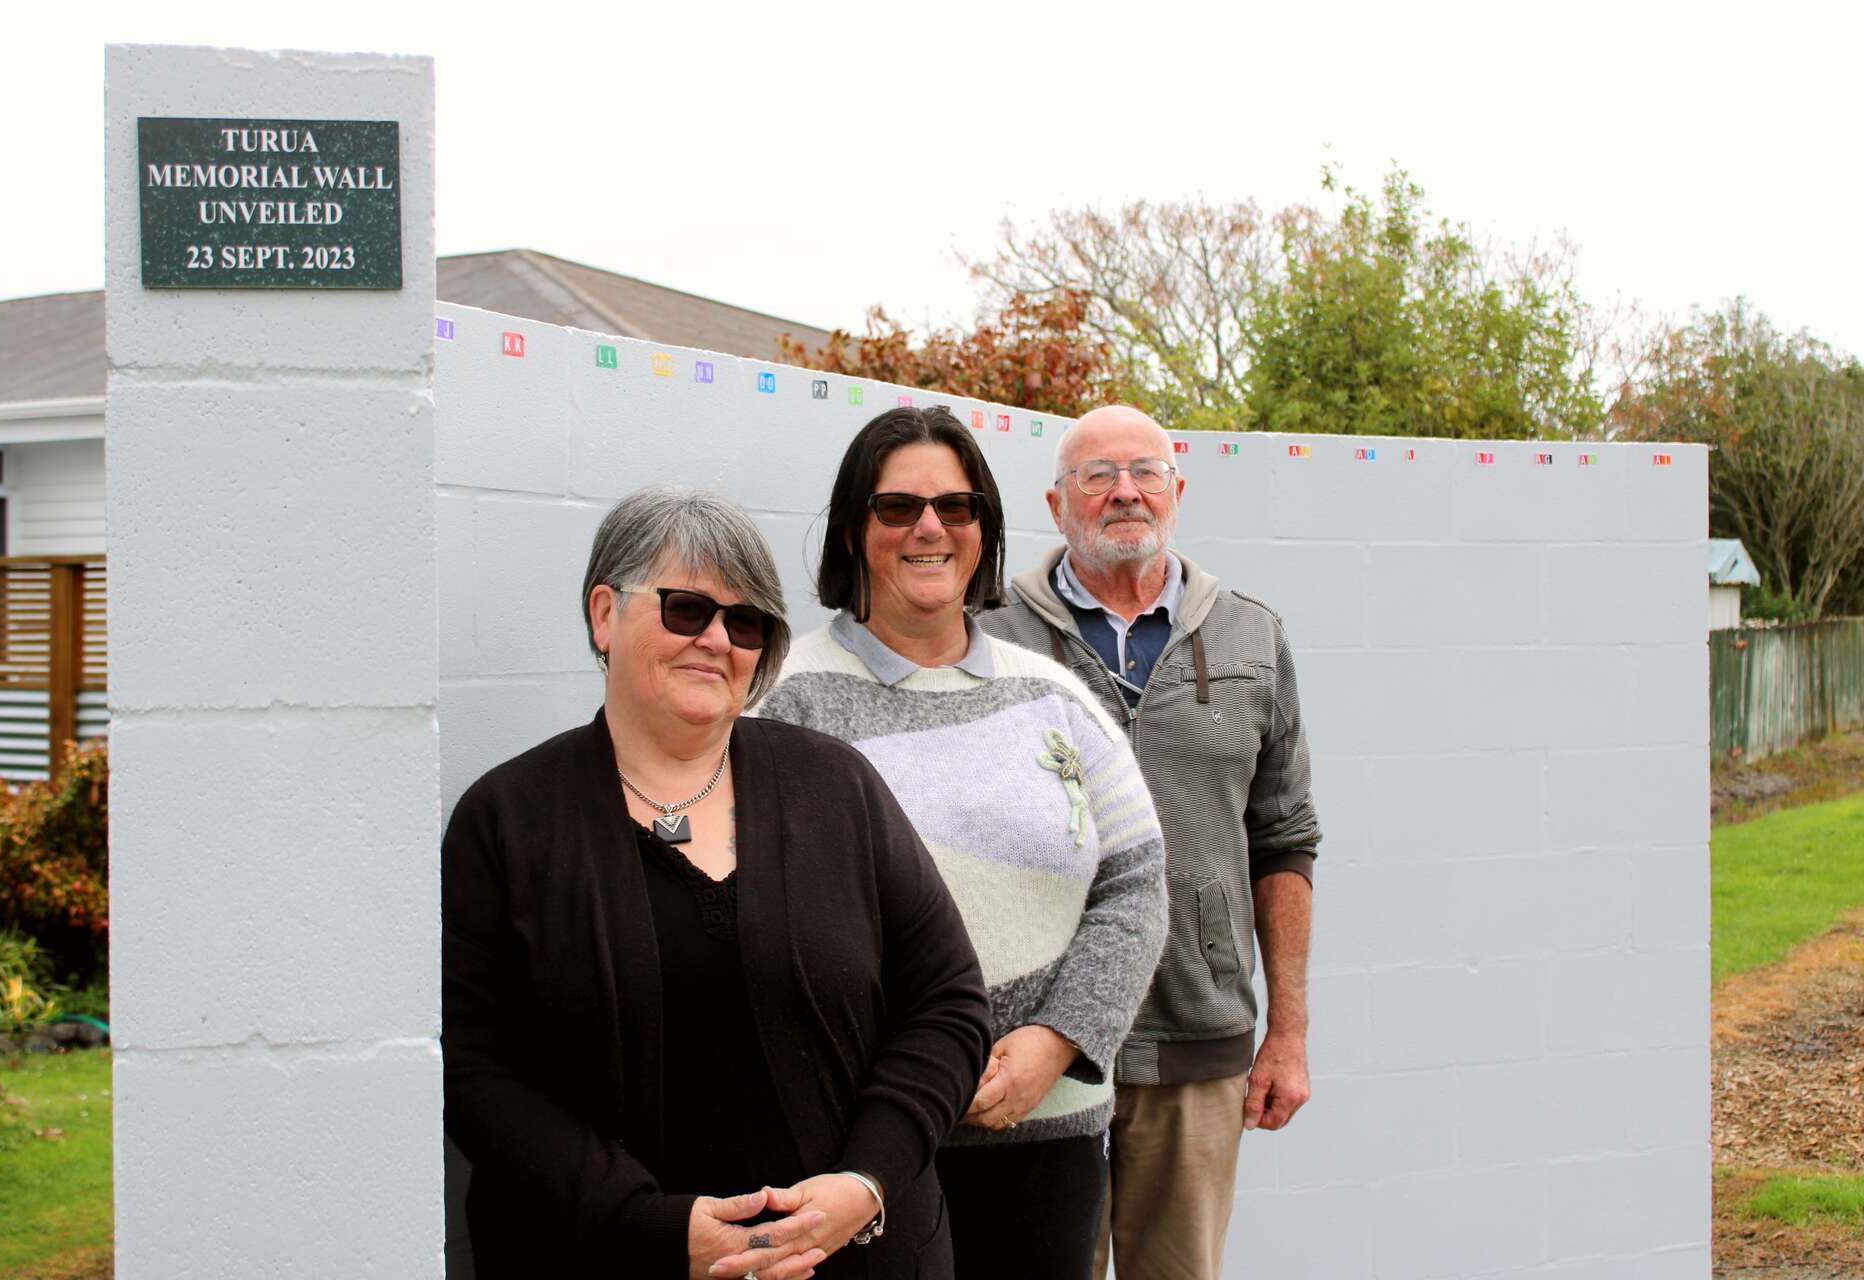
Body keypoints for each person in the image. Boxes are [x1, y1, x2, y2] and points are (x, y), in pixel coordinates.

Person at [442, 486, 993, 1279]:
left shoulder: (834, 786)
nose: (715, 640)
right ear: (604, 614)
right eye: (685, 609)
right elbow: (474, 1066)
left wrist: (864, 1182)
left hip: (860, 1255)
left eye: (745, 623)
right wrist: (647, 1227)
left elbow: (947, 1002)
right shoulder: (509, 821)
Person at [756, 407, 1169, 1277]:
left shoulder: (1053, 697)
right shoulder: (785, 706)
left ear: (985, 527)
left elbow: (1136, 884)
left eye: (958, 505)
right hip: (864, 1150)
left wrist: (1057, 1037)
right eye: (898, 508)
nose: (931, 528)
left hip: (1050, 1135)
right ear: (850, 529)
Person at [978, 404, 1321, 1279]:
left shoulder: (1252, 635)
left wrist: (1287, 1031)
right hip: (1036, 1048)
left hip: (1196, 1043)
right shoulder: (989, 640)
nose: (1124, 492)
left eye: (1145, 472)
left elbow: (1283, 840)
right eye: (1097, 476)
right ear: (1058, 506)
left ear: (1177, 491)